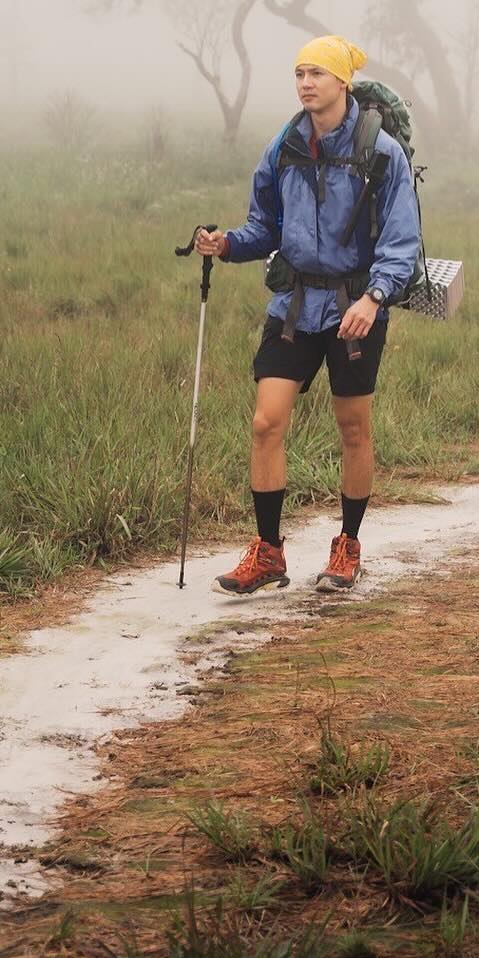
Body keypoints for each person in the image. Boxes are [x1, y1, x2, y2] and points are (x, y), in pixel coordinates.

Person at [196, 35, 422, 595]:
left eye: (317, 73)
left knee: (352, 426)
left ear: (342, 81)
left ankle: (347, 547)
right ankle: (269, 551)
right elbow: (265, 225)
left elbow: (402, 241)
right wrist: (227, 244)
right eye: (299, 72)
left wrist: (374, 298)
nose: (305, 83)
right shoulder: (285, 145)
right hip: (295, 305)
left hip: (355, 307)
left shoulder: (381, 153)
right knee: (265, 421)